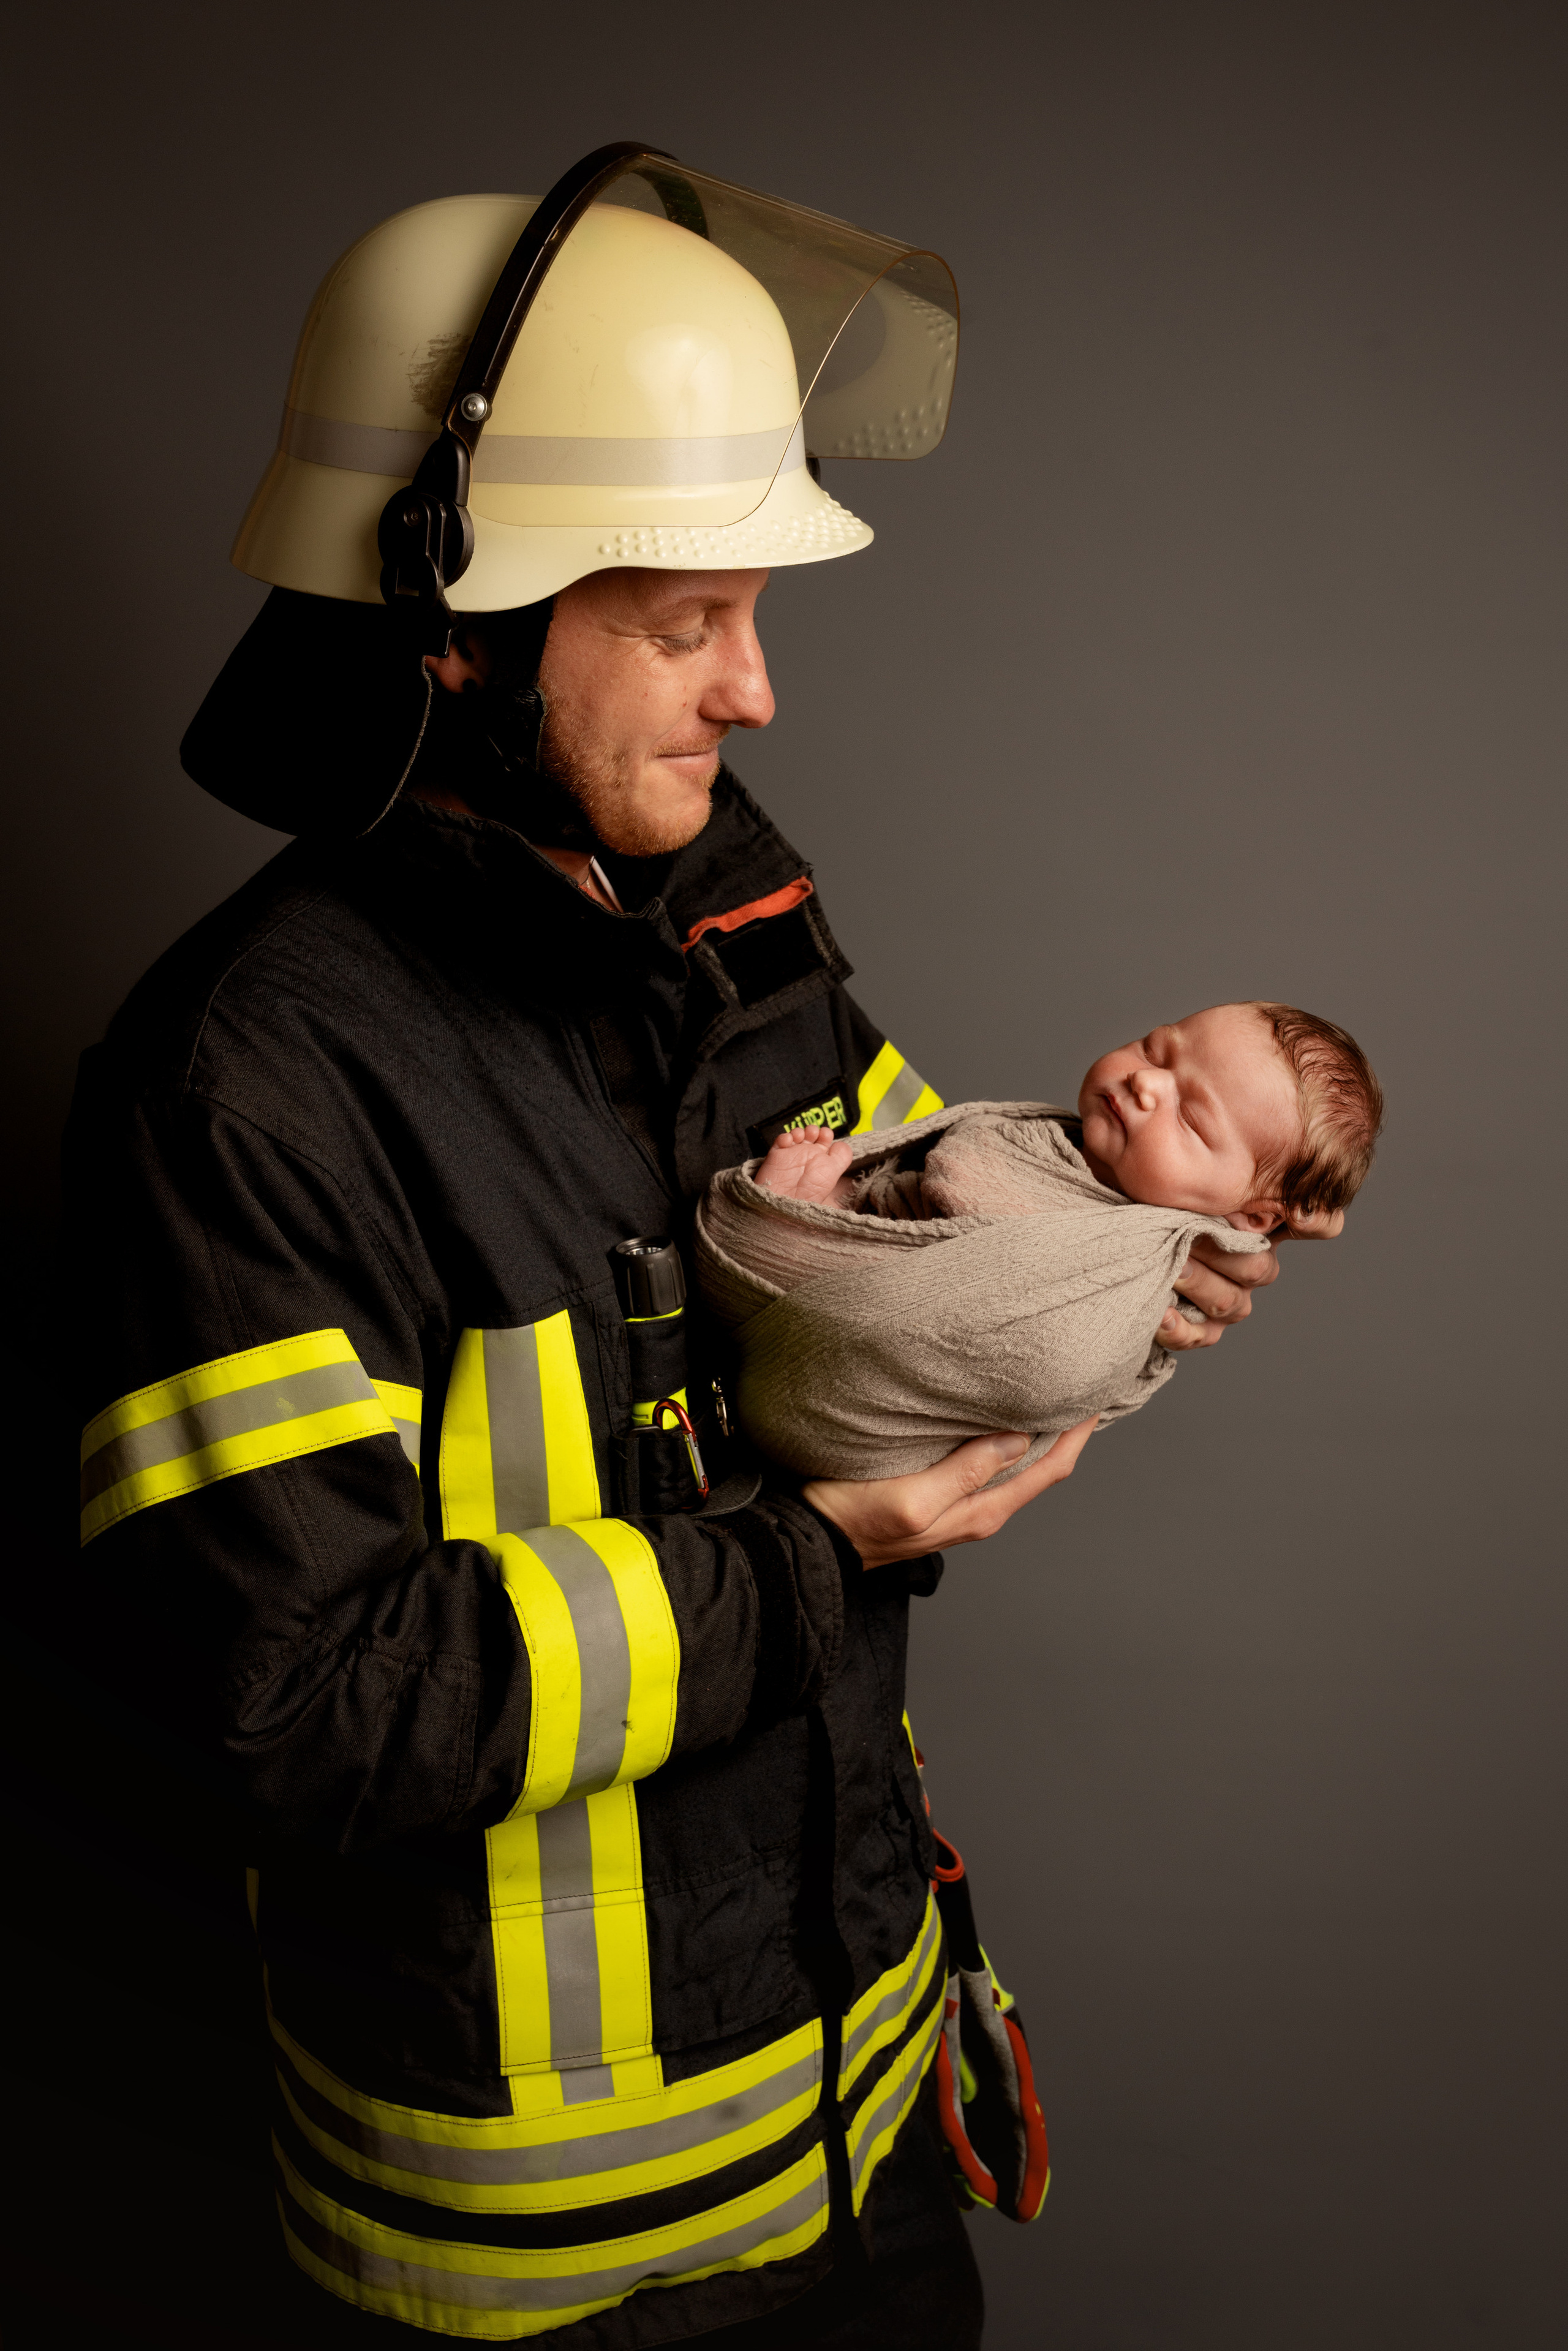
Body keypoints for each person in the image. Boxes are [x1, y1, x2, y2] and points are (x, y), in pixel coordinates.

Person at [62, 152, 1324, 2347]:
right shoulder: (241, 1084)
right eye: (681, 616)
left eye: (758, 611)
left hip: (861, 2115)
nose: (752, 691)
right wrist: (829, 1547)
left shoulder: (727, 929)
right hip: (566, 2268)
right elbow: (288, 1699)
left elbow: (900, 1226)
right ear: (449, 625)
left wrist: (1110, 1258)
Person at [693, 1003, 1380, 1487]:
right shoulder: (1056, 1145)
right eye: (1156, 1046)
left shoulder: (1130, 1278)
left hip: (849, 1390)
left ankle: (788, 1226)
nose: (1146, 1082)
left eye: (1192, 1117)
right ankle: (806, 1219)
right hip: (872, 1257)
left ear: (1250, 1217)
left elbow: (1054, 1356)